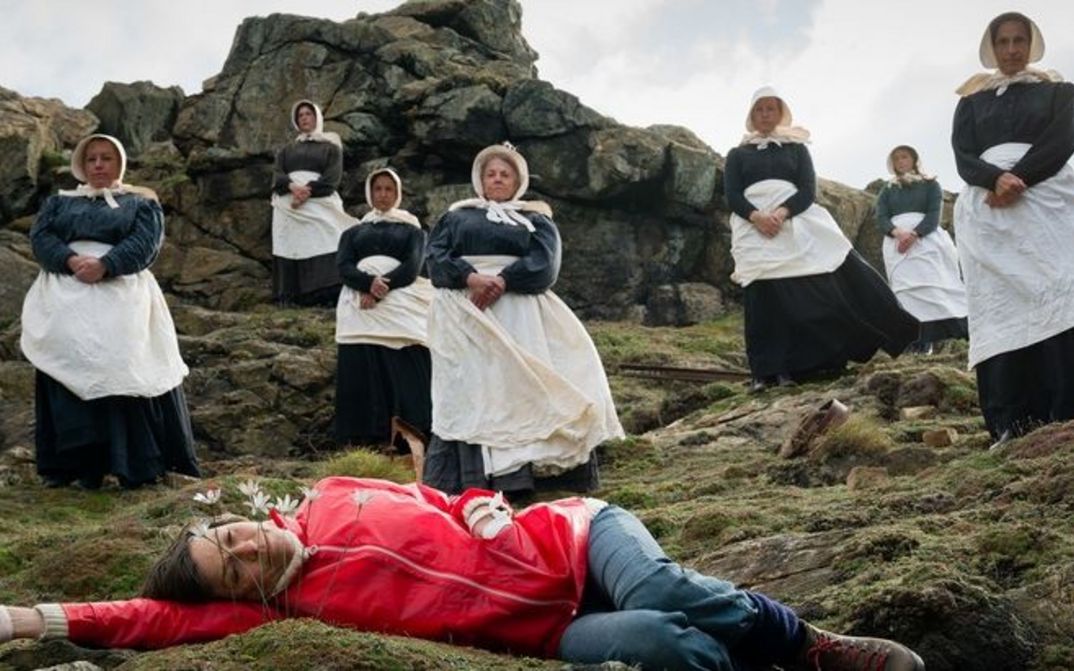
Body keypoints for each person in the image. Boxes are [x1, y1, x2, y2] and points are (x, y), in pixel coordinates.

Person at [0, 476, 926, 671]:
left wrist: (482, 503)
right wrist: (29, 618)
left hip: (572, 537)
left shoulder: (331, 495)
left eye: (234, 535)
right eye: (233, 568)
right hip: (550, 627)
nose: (248, 550)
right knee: (658, 641)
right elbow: (151, 618)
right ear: (239, 596)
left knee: (654, 588)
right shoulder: (288, 612)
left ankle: (808, 644)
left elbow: (443, 493)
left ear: (243, 518)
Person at [422, 143, 623, 495]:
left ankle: (523, 476)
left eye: (505, 174)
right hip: (466, 313)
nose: (497, 179)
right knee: (474, 390)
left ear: (518, 181)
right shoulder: (455, 218)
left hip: (520, 314)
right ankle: (472, 479)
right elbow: (435, 257)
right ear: (480, 180)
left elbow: (546, 263)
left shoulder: (536, 219)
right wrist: (470, 277)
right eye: (491, 174)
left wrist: (503, 280)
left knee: (520, 388)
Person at [19, 134, 200, 489]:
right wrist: (70, 260)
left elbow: (145, 242)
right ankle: (75, 465)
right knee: (67, 364)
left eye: (106, 158)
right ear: (81, 165)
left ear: (120, 163)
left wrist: (107, 264)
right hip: (64, 293)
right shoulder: (59, 203)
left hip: (122, 292)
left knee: (124, 365)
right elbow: (41, 238)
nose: (99, 165)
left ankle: (133, 463)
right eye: (92, 159)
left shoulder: (140, 203)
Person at [724, 87, 919, 393]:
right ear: (751, 115)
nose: (765, 115)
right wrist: (757, 216)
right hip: (753, 227)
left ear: (780, 113)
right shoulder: (737, 155)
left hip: (793, 220)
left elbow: (806, 189)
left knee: (821, 284)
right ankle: (763, 371)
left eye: (771, 109)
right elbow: (732, 194)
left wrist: (782, 213)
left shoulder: (796, 149)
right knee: (762, 299)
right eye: (759, 109)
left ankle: (797, 367)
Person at [952, 12, 1074, 448]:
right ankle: (1010, 420)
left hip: (1047, 200)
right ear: (992, 47)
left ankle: (1064, 410)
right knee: (999, 309)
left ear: (1031, 43)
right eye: (1002, 41)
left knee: (1058, 295)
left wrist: (1019, 177)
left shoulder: (1059, 92)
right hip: (987, 211)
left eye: (1018, 40)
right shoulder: (971, 101)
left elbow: (1061, 141)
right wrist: (994, 179)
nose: (1011, 49)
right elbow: (963, 155)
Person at [334, 167, 433, 477]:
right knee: (361, 369)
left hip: (401, 305)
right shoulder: (353, 233)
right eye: (378, 189)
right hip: (359, 309)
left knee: (404, 366)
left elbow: (413, 265)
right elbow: (343, 265)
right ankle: (363, 439)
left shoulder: (413, 231)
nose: (383, 195)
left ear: (398, 193)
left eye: (389, 189)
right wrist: (366, 284)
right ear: (370, 193)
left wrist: (381, 288)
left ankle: (409, 438)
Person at [874, 145, 968, 355]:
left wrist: (915, 234)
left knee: (934, 286)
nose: (901, 161)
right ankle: (916, 344)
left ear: (914, 159)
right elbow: (881, 217)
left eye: (904, 157)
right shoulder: (887, 189)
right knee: (907, 292)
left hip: (927, 241)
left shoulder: (930, 184)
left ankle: (955, 337)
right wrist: (897, 233)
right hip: (897, 244)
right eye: (896, 158)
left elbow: (934, 214)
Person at [270, 100, 351, 306]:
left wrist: (307, 191)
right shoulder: (286, 150)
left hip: (319, 202)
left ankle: (325, 293)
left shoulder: (331, 147)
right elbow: (277, 175)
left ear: (317, 117)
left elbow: (332, 178)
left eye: (308, 114)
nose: (304, 118)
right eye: (300, 115)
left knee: (329, 237)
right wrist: (292, 188)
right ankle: (291, 295)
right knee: (290, 245)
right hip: (288, 206)